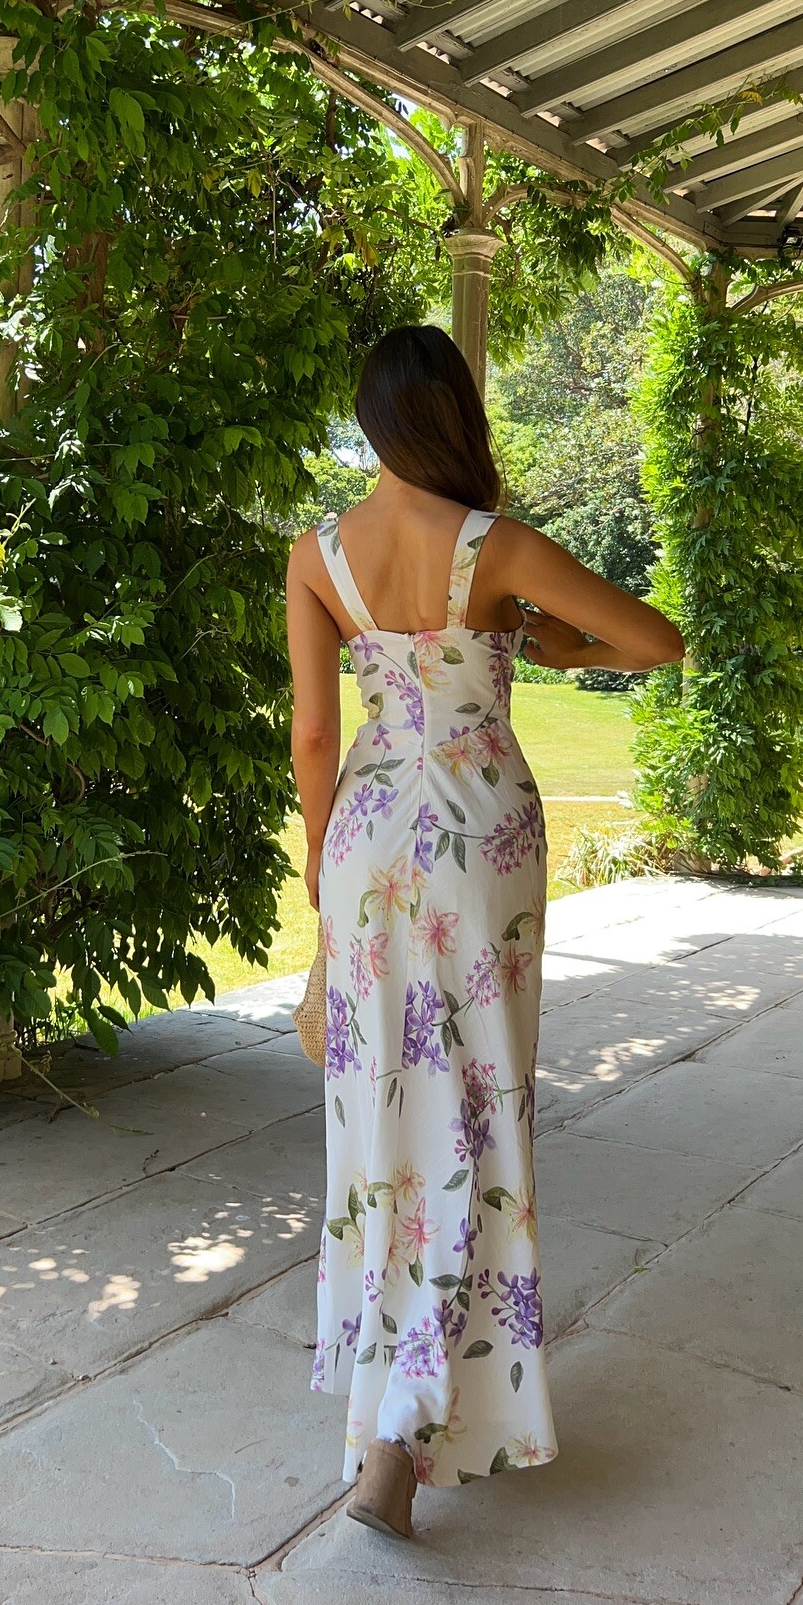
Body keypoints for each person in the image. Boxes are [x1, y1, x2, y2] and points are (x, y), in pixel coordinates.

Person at [285, 323, 684, 1538]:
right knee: (475, 1111)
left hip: (366, 839)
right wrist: (545, 640)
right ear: (453, 416)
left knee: (381, 1124)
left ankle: (390, 1426)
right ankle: (414, 1436)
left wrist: (324, 910)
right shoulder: (493, 546)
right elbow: (656, 642)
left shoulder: (317, 554)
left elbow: (313, 735)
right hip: (479, 839)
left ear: (372, 423)